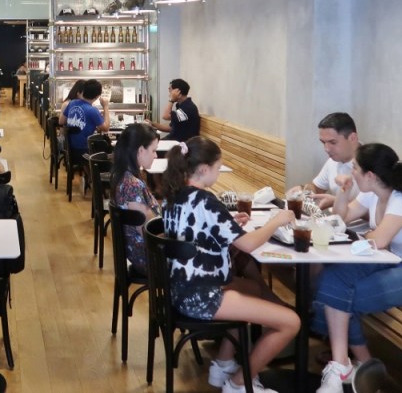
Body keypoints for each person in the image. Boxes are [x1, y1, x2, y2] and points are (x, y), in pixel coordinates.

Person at [159, 136, 299, 393]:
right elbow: (248, 245)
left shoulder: (173, 196)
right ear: (203, 169)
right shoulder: (206, 201)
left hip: (180, 289)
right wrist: (276, 222)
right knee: (291, 322)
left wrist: (230, 221)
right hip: (201, 296)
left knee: (253, 290)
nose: (218, 173)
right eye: (217, 167)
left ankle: (222, 364)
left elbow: (197, 231)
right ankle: (238, 384)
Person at [312, 143, 402, 393]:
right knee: (333, 278)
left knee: (346, 297)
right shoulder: (372, 192)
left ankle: (358, 366)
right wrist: (343, 194)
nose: (351, 171)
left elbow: (379, 240)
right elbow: (340, 219)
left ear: (370, 175)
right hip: (395, 260)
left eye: (355, 167)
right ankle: (346, 364)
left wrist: (371, 235)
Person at [109, 122, 162, 274]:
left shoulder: (123, 176)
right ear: (140, 150)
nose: (156, 155)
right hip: (149, 258)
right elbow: (150, 231)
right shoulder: (132, 186)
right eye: (153, 150)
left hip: (139, 253)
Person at [286, 112, 360, 210]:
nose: (326, 149)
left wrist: (337, 201)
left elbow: (379, 213)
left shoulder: (372, 163)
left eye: (332, 142)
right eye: (323, 142)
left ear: (352, 138)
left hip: (364, 225)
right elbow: (316, 188)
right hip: (337, 222)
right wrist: (305, 191)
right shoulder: (333, 160)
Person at [59, 79, 110, 166]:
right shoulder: (93, 110)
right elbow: (106, 128)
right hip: (84, 152)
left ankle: (87, 177)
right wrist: (105, 106)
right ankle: (93, 177)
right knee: (107, 150)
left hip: (69, 149)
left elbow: (61, 121)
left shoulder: (72, 103)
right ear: (97, 96)